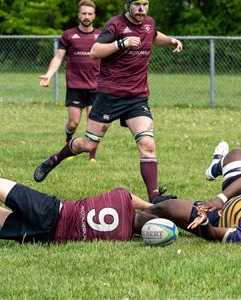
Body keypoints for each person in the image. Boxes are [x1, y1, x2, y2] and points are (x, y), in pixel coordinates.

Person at [33, 0, 183, 203]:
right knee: (87, 144)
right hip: (109, 95)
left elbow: (155, 36)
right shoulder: (115, 25)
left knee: (147, 144)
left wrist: (171, 40)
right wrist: (121, 43)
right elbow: (95, 51)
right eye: (137, 4)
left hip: (137, 97)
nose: (141, 9)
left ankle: (154, 198)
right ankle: (53, 160)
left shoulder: (149, 23)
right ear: (128, 5)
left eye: (145, 4)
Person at [0, 151, 155, 243]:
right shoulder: (123, 237)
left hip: (50, 211)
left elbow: (137, 200)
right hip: (46, 237)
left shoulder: (122, 198)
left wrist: (151, 205)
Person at [146, 142, 241, 242]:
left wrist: (204, 221)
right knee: (237, 154)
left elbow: (212, 235)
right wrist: (221, 198)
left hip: (215, 217)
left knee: (167, 208)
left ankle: (134, 221)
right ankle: (216, 166)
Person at [39, 0, 100, 161]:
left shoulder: (101, 36)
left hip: (96, 86)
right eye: (83, 13)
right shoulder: (68, 35)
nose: (86, 16)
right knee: (73, 123)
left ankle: (92, 157)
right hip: (75, 86)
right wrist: (49, 75)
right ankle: (68, 141)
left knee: (93, 123)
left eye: (89, 14)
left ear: (94, 16)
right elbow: (58, 57)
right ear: (78, 15)